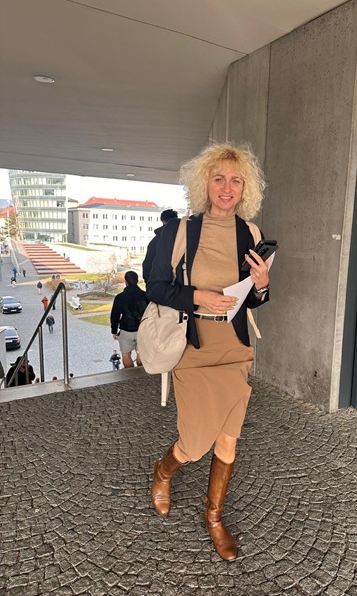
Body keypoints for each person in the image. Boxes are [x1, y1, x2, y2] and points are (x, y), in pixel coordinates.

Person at [147, 142, 271, 561]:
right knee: (195, 442)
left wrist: (261, 285)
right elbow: (156, 287)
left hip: (234, 347)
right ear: (204, 183)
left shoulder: (251, 234)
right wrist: (197, 295)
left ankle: (214, 516)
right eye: (219, 178)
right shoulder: (178, 232)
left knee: (229, 439)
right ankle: (164, 469)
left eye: (236, 180)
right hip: (194, 347)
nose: (227, 187)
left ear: (246, 188)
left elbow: (251, 299)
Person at [110, 270, 148, 368]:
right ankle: (141, 373)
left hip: (126, 329)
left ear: (126, 281)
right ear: (137, 280)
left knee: (126, 354)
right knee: (141, 352)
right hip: (142, 329)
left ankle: (130, 375)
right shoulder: (145, 295)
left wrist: (114, 331)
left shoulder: (120, 297)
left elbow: (115, 315)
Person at [142, 209, 179, 283]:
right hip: (182, 283)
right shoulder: (185, 237)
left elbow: (148, 264)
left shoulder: (156, 241)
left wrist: (150, 283)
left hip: (161, 283)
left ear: (162, 220)